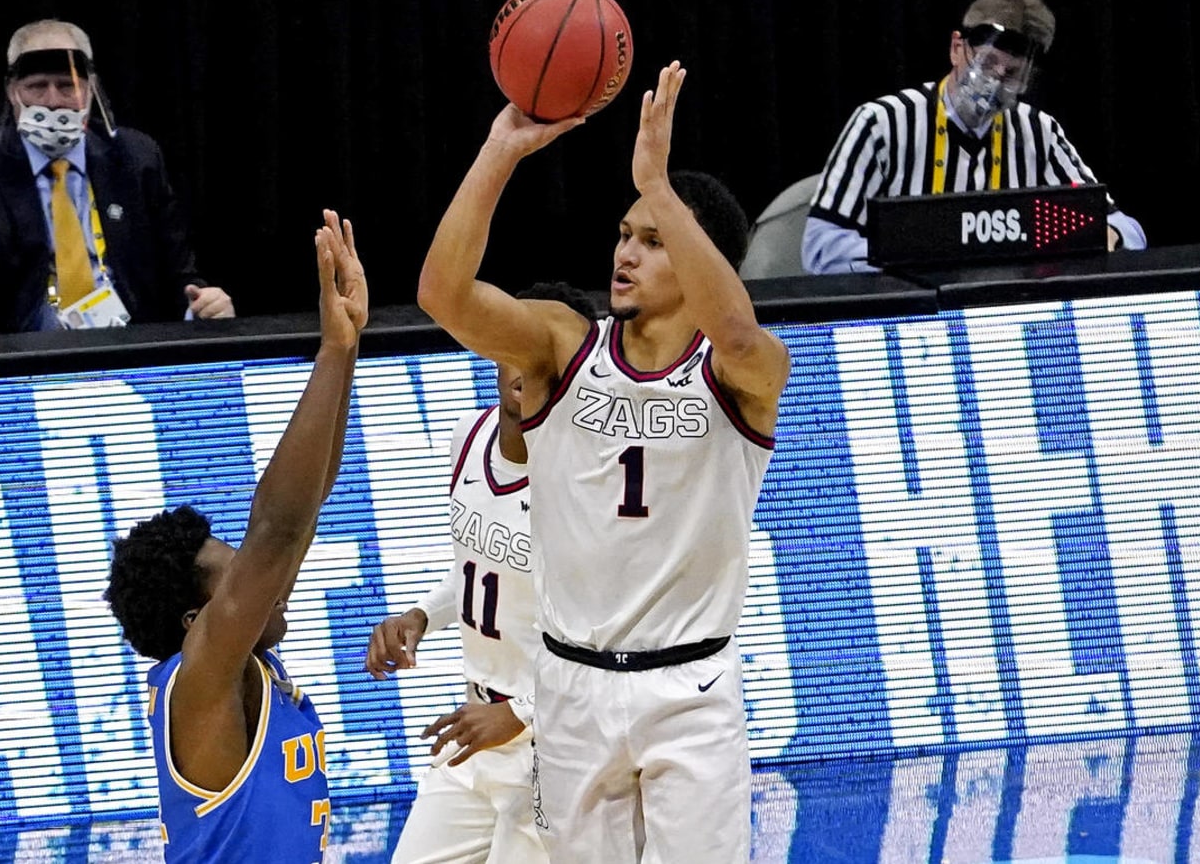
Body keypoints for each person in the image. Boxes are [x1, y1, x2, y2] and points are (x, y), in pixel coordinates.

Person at [417, 62, 790, 864]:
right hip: (570, 688)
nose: (626, 251)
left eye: (654, 240)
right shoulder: (560, 343)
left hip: (688, 691)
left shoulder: (742, 373)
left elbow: (736, 332)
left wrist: (657, 182)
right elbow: (443, 295)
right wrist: (500, 152)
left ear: (701, 261)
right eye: (626, 233)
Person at [105, 209, 365, 863]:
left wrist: (351, 346)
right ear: (197, 618)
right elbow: (275, 531)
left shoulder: (236, 663)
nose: (271, 584)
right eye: (237, 572)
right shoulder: (200, 680)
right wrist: (330, 351)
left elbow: (301, 515)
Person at [365, 282, 598, 864]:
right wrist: (421, 616)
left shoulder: (587, 476)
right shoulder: (468, 437)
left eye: (548, 351)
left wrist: (518, 715)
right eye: (517, 341)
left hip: (554, 741)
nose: (528, 361)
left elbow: (606, 640)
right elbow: (474, 568)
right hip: (473, 728)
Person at [0, 18, 234, 338]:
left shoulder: (137, 158)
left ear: (91, 89)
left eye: (68, 85)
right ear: (12, 92)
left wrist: (202, 305)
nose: (53, 101)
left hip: (129, 345)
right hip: (20, 351)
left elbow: (180, 273)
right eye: (37, 86)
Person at [802, 0, 1147, 274]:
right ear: (956, 48)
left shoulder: (1038, 132)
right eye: (986, 63)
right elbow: (820, 245)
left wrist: (1108, 235)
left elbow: (1127, 228)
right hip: (910, 309)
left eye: (1011, 74)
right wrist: (918, 259)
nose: (993, 83)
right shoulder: (881, 123)